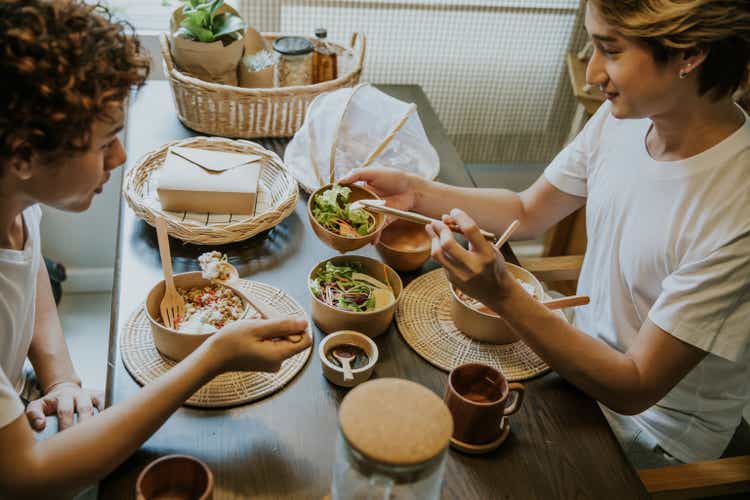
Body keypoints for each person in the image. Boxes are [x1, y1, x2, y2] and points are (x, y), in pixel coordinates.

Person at [343, 0, 750, 469]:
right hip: (576, 353)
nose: (594, 73)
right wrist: (414, 191)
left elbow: (635, 386)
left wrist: (502, 294)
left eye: (610, 51)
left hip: (648, 429)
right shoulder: (629, 117)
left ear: (690, 54)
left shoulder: (735, 210)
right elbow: (528, 210)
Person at [0, 1, 311, 496]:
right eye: (104, 144)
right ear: (22, 156)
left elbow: (26, 265)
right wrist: (209, 360)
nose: (120, 157)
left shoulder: (12, 204)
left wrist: (60, 381)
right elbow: (25, 476)